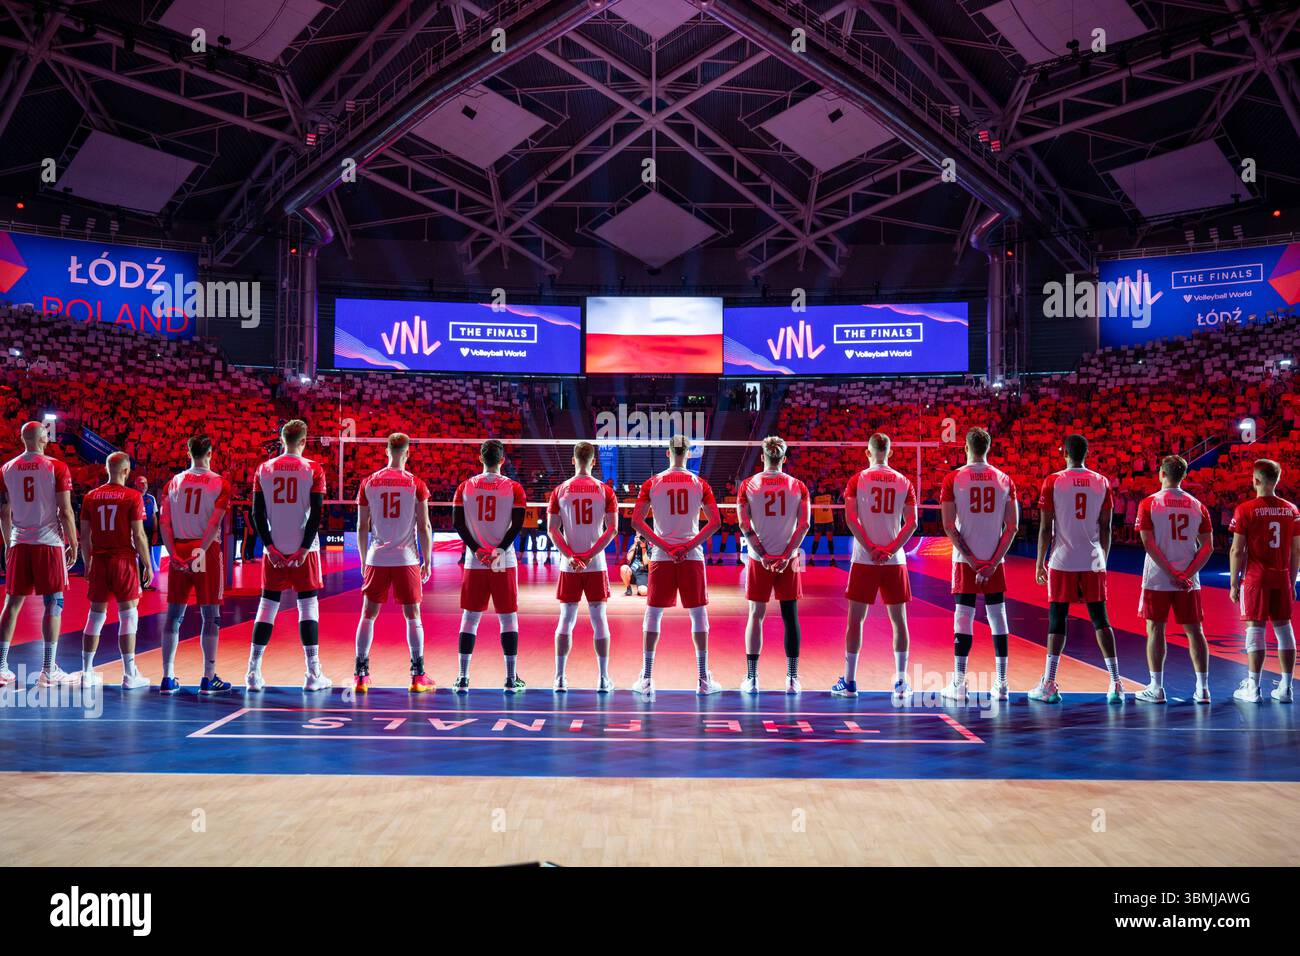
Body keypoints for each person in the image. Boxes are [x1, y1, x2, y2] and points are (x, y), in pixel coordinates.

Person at [1031, 434, 1124, 704]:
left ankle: (1049, 683)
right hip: (1093, 558)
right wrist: (1102, 557)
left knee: (1057, 619)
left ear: (1064, 454)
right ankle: (1116, 683)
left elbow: (1046, 528)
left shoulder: (1053, 481)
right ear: (1086, 453)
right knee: (1101, 619)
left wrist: (1040, 561)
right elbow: (1106, 527)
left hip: (1063, 559)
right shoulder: (1101, 482)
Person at [631, 435, 722, 697]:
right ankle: (703, 679)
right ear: (689, 454)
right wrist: (688, 545)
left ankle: (647, 679)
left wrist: (665, 545)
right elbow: (715, 522)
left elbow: (637, 521)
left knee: (653, 615)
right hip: (691, 556)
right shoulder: (699, 483)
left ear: (667, 453)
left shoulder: (653, 482)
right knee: (699, 617)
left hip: (662, 556)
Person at [246, 420, 331, 692]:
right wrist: (305, 548)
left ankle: (252, 672)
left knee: (267, 606)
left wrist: (269, 547)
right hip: (304, 549)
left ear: (282, 439)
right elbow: (316, 514)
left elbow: (256, 514)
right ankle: (312, 673)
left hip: (276, 547)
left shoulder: (264, 468)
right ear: (304, 441)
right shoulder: (314, 469)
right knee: (308, 606)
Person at [833, 433, 917, 701]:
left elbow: (850, 518)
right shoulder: (904, 481)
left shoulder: (858, 480)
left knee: (855, 622)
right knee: (899, 622)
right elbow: (912, 523)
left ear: (868, 453)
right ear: (889, 453)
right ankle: (901, 682)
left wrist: (870, 548)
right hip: (895, 560)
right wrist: (891, 549)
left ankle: (849, 681)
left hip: (864, 559)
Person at [939, 427, 1018, 701]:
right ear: (989, 447)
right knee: (998, 617)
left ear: (965, 448)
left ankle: (959, 684)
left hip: (966, 559)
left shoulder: (954, 478)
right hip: (994, 557)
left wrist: (973, 562)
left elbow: (949, 525)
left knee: (963, 616)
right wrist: (993, 562)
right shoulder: (1004, 479)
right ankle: (1003, 683)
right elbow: (1013, 526)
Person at [353, 433, 434, 694]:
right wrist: (427, 560)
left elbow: (361, 526)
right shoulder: (416, 484)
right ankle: (417, 676)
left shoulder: (369, 482)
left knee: (368, 615)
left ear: (386, 452)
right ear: (407, 453)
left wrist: (365, 560)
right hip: (406, 558)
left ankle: (361, 676)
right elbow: (424, 526)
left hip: (377, 557)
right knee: (413, 616)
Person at [0, 422, 78, 688]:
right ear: (44, 438)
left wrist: (8, 543)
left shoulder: (7, 468)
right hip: (48, 542)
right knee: (53, 604)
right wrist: (74, 542)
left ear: (23, 439)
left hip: (19, 542)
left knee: (11, 604)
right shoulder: (56, 466)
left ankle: (0, 667)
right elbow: (66, 511)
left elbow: (3, 512)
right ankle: (48, 669)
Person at [1134, 455, 1214, 704]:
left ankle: (1156, 688)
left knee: (1155, 628)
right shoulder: (1197, 505)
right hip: (1189, 578)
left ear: (1161, 473)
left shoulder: (1149, 503)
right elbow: (1208, 547)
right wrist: (1186, 573)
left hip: (1158, 577)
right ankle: (1203, 689)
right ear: (1184, 476)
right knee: (1195, 631)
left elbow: (1148, 543)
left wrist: (1170, 572)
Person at [159, 435, 234, 694]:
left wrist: (173, 554)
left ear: (188, 452)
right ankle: (208, 676)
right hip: (205, 549)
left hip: (179, 547)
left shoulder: (174, 482)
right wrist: (199, 552)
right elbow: (214, 524)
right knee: (210, 615)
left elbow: (164, 523)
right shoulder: (219, 483)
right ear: (211, 453)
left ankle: (167, 677)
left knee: (174, 616)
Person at [451, 439, 527, 693]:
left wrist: (477, 551)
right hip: (503, 561)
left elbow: (458, 524)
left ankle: (463, 678)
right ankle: (509, 678)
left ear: (481, 459)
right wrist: (499, 550)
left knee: (469, 618)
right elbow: (516, 525)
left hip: (475, 561)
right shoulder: (514, 488)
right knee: (508, 619)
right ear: (502, 460)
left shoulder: (465, 487)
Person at [737, 436, 810, 694]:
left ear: (762, 458)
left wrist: (764, 555)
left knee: (755, 616)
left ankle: (752, 679)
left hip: (760, 560)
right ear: (784, 459)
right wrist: (787, 555)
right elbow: (805, 525)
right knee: (790, 617)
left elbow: (745, 525)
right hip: (788, 560)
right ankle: (792, 679)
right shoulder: (798, 486)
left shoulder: (748, 484)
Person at [547, 441, 619, 692]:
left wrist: (570, 555)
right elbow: (613, 529)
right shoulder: (604, 490)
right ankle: (603, 678)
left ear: (573, 460)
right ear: (594, 462)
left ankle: (559, 678)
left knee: (566, 620)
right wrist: (589, 555)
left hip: (570, 566)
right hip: (595, 564)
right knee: (599, 619)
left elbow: (552, 530)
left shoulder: (560, 490)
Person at [77, 453, 153, 688]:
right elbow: (139, 535)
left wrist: (88, 562)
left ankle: (86, 673)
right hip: (123, 559)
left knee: (95, 616)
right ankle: (130, 674)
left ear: (107, 469)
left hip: (99, 559)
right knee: (129, 615)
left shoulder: (90, 497)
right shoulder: (132, 496)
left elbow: (85, 537)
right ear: (127, 471)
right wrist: (148, 563)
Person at [1228, 458, 1300, 703]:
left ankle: (1254, 689)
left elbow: (1237, 550)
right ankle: (1287, 688)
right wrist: (1290, 580)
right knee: (1284, 630)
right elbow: (1296, 550)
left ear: (1256, 480)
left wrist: (1234, 583)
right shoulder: (1292, 509)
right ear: (1277, 480)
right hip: (1281, 577)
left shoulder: (1246, 509)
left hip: (1256, 578)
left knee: (1255, 630)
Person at [134, 476, 159, 590]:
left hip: (148, 531)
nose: (144, 485)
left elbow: (154, 516)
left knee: (146, 555)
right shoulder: (132, 497)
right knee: (135, 556)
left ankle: (145, 583)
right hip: (135, 531)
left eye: (146, 483)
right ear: (136, 485)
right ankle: (136, 582)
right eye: (141, 483)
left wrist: (155, 532)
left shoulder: (151, 498)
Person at [808, 490, 835, 561]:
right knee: (816, 539)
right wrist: (815, 518)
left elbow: (832, 505)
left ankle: (832, 559)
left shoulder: (830, 493)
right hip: (819, 521)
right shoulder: (814, 494)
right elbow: (812, 508)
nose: (824, 483)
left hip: (829, 520)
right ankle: (812, 559)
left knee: (830, 539)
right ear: (819, 483)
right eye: (823, 481)